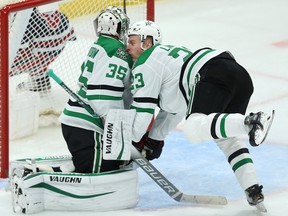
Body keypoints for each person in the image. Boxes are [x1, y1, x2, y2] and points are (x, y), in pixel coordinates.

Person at [126, 20, 274, 208]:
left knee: (193, 129)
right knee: (225, 137)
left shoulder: (146, 62)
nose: (127, 47)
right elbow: (173, 110)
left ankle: (251, 121)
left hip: (213, 72)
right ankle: (253, 190)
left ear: (147, 42)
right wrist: (154, 140)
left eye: (131, 42)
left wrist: (129, 141)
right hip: (238, 75)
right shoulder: (165, 61)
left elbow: (143, 112)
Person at [58, 6, 133, 173]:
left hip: (78, 122)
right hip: (87, 125)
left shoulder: (100, 45)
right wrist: (113, 125)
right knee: (100, 174)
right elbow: (101, 93)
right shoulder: (117, 51)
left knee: (109, 166)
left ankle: (69, 168)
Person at [10, 6, 76, 92]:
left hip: (37, 51)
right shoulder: (40, 6)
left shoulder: (21, 14)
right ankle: (40, 81)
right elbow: (71, 35)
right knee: (38, 53)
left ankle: (39, 79)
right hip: (57, 47)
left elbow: (17, 45)